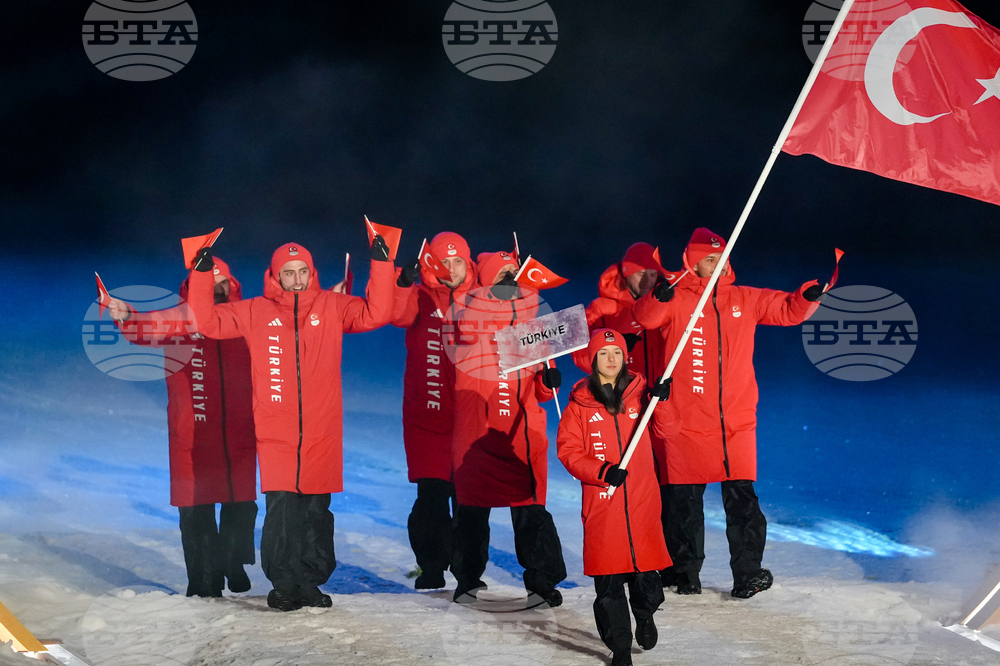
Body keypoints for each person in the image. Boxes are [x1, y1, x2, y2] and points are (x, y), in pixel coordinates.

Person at [187, 236, 395, 611]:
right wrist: (201, 276)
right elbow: (207, 322)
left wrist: (381, 264)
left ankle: (310, 583)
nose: (297, 280)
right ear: (274, 276)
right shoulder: (256, 310)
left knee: (316, 512)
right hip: (276, 432)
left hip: (322, 432)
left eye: (302, 272)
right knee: (281, 511)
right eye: (288, 273)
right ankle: (284, 585)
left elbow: (377, 313)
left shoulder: (333, 306)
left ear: (312, 273)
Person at [633, 227, 825, 599]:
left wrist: (806, 297)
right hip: (686, 421)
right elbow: (646, 318)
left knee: (744, 502)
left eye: (722, 258)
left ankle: (748, 574)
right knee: (683, 505)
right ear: (692, 263)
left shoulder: (744, 298)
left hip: (735, 422)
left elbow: (786, 309)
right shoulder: (678, 298)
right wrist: (658, 298)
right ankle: (683, 574)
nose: (718, 264)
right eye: (709, 259)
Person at [107, 257, 257, 598]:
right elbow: (145, 328)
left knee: (241, 502)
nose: (217, 289)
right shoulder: (180, 317)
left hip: (238, 428)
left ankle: (232, 561)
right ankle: (204, 584)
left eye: (223, 283)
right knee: (196, 508)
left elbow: (290, 323)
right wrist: (127, 315)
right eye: (210, 283)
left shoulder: (246, 316)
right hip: (192, 428)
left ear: (233, 285)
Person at [449, 250, 567, 606]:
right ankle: (467, 580)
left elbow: (542, 392)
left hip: (521, 432)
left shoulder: (534, 323)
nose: (511, 279)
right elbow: (468, 328)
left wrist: (547, 380)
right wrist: (504, 301)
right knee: (472, 512)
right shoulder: (466, 309)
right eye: (502, 274)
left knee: (530, 508)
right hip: (478, 433)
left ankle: (541, 581)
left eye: (514, 272)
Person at [557, 329, 673, 666]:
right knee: (608, 582)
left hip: (642, 500)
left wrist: (663, 403)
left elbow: (669, 430)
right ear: (593, 359)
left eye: (617, 353)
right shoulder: (579, 404)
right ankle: (620, 648)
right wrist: (602, 471)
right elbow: (569, 452)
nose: (611, 359)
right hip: (603, 503)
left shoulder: (641, 395)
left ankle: (646, 614)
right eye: (604, 353)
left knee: (646, 576)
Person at [390, 232, 477, 589]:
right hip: (427, 418)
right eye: (444, 262)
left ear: (468, 264)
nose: (451, 269)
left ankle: (468, 571)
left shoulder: (483, 298)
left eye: (458, 262)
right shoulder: (419, 296)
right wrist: (401, 283)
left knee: (469, 502)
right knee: (431, 498)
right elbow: (394, 312)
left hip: (471, 419)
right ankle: (432, 567)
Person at [574, 242, 668, 381]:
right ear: (626, 273)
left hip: (661, 390)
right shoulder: (601, 309)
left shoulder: (666, 307)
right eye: (641, 274)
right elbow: (580, 354)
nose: (647, 281)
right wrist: (614, 346)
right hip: (619, 390)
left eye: (652, 275)